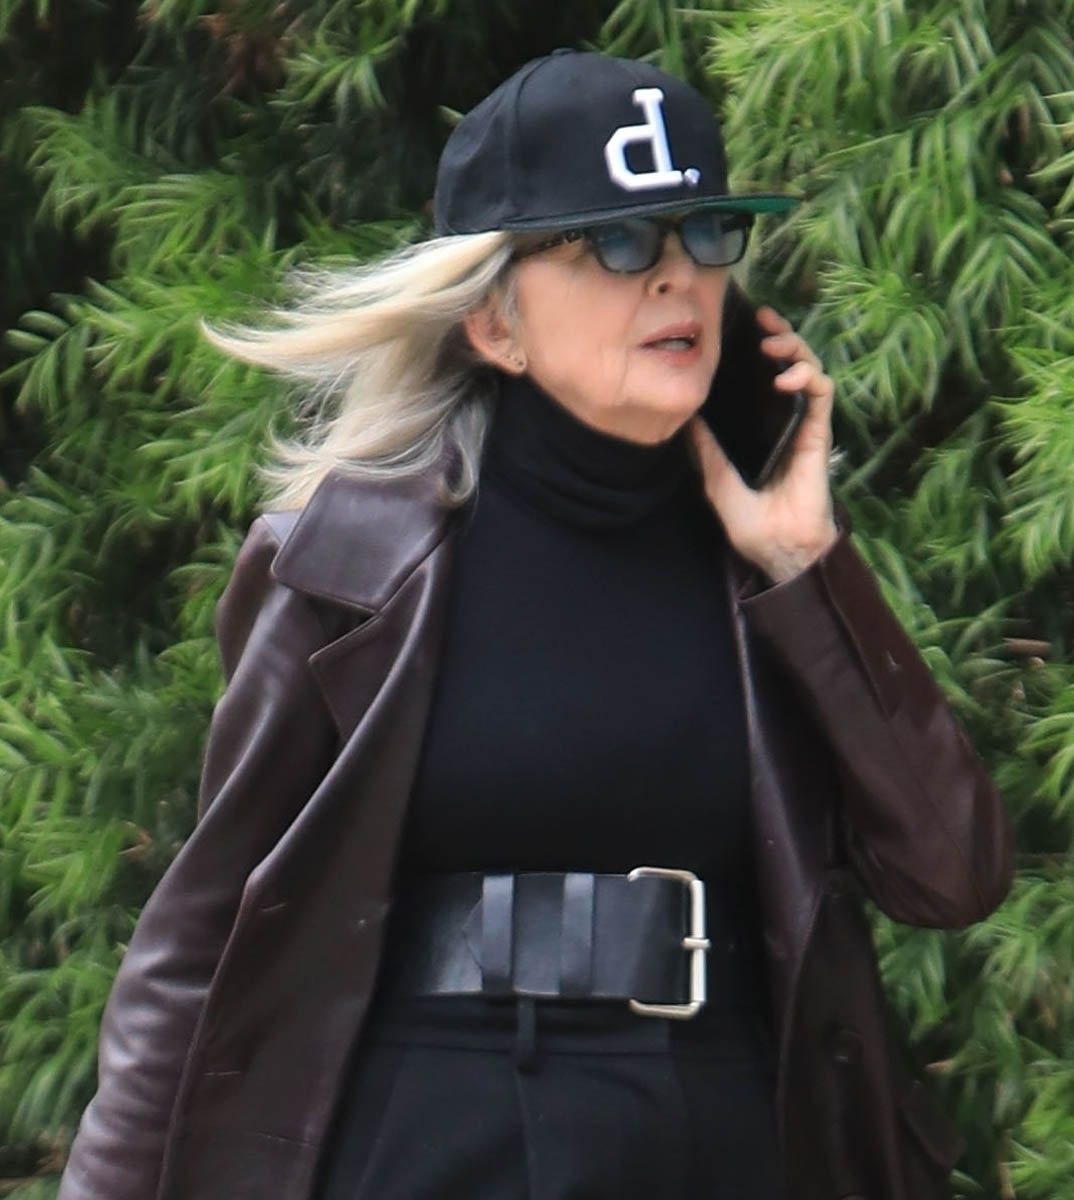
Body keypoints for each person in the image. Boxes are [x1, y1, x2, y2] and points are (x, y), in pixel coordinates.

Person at [57, 49, 1013, 1200]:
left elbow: (951, 876)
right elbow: (201, 937)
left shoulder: (764, 562)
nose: (677, 278)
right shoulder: (354, 568)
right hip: (433, 1142)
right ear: (493, 322)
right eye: (619, 244)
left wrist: (808, 565)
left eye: (707, 234)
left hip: (726, 1140)